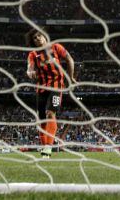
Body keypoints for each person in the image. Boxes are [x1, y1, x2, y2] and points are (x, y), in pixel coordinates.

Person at [26, 29, 76, 158]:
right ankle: (44, 150)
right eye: (35, 38)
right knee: (41, 119)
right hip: (41, 88)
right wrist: (30, 73)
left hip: (56, 86)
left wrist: (70, 77)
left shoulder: (56, 47)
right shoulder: (33, 54)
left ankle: (48, 148)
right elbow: (30, 68)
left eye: (39, 36)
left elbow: (69, 59)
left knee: (50, 113)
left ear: (45, 36)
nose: (37, 39)